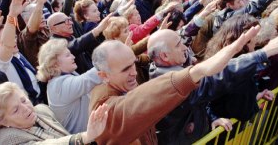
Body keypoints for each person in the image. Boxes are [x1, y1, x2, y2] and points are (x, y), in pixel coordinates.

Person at [89, 25, 260, 144]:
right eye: (126, 69)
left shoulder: (126, 84)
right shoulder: (103, 104)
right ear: (103, 75)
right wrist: (195, 73)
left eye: (133, 64)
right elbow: (133, 105)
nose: (134, 72)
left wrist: (210, 120)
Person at [0, 82, 109, 144]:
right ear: (3, 121)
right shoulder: (8, 139)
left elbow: (64, 134)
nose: (25, 108)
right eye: (15, 110)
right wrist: (86, 136)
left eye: (24, 100)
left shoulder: (41, 110)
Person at [37, 38, 102, 134]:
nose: (73, 57)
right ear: (54, 64)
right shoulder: (58, 85)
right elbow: (88, 79)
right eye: (67, 55)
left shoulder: (65, 76)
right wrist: (112, 56)